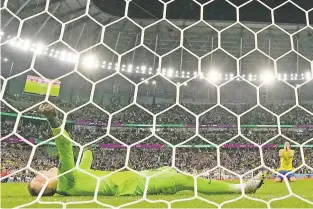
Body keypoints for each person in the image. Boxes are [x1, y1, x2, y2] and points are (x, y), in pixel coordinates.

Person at [27, 103, 265, 197]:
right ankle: (242, 188)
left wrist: (89, 150)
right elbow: (65, 149)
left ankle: (240, 186)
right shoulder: (67, 181)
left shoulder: (71, 181)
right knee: (180, 179)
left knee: (172, 172)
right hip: (134, 185)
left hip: (137, 178)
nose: (39, 173)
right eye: (40, 180)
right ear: (48, 187)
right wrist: (53, 119)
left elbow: (83, 166)